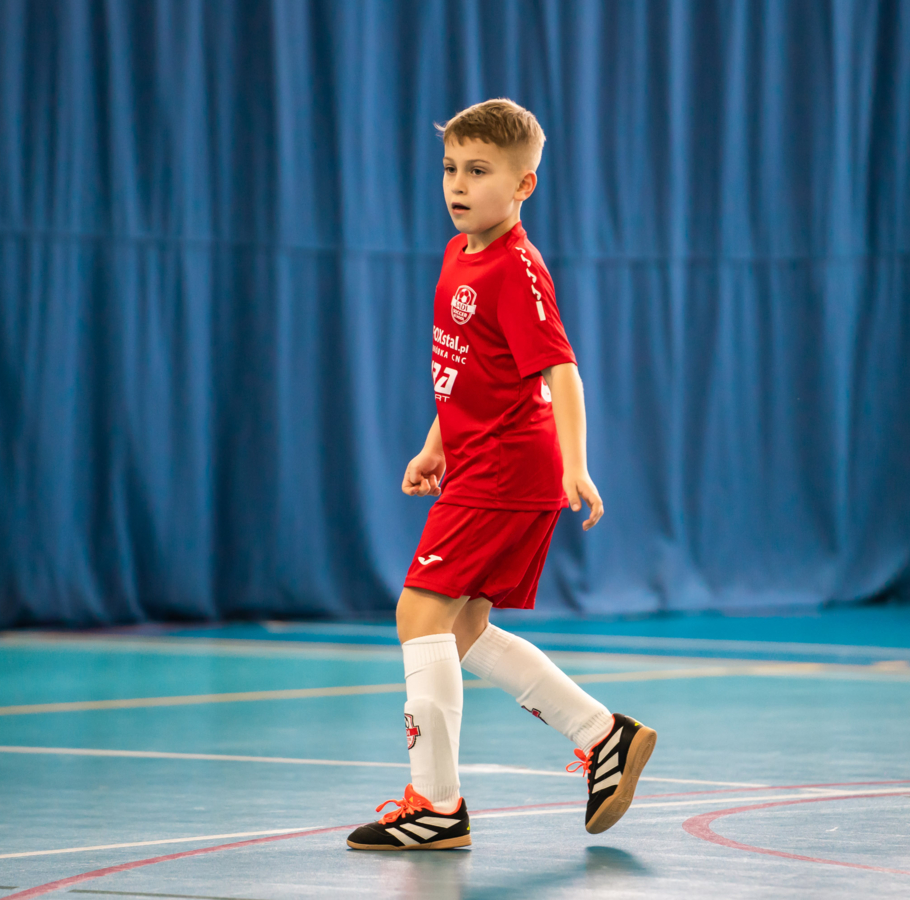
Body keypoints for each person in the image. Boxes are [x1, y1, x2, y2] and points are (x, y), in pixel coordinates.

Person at [346, 99, 656, 851]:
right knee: (465, 628)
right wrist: (437, 444)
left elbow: (560, 372)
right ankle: (602, 734)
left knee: (419, 616)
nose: (458, 184)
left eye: (479, 171)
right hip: (480, 463)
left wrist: (576, 464)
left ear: (523, 185)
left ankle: (435, 806)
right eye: (450, 168)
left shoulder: (517, 269)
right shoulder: (459, 253)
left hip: (508, 471)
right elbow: (470, 370)